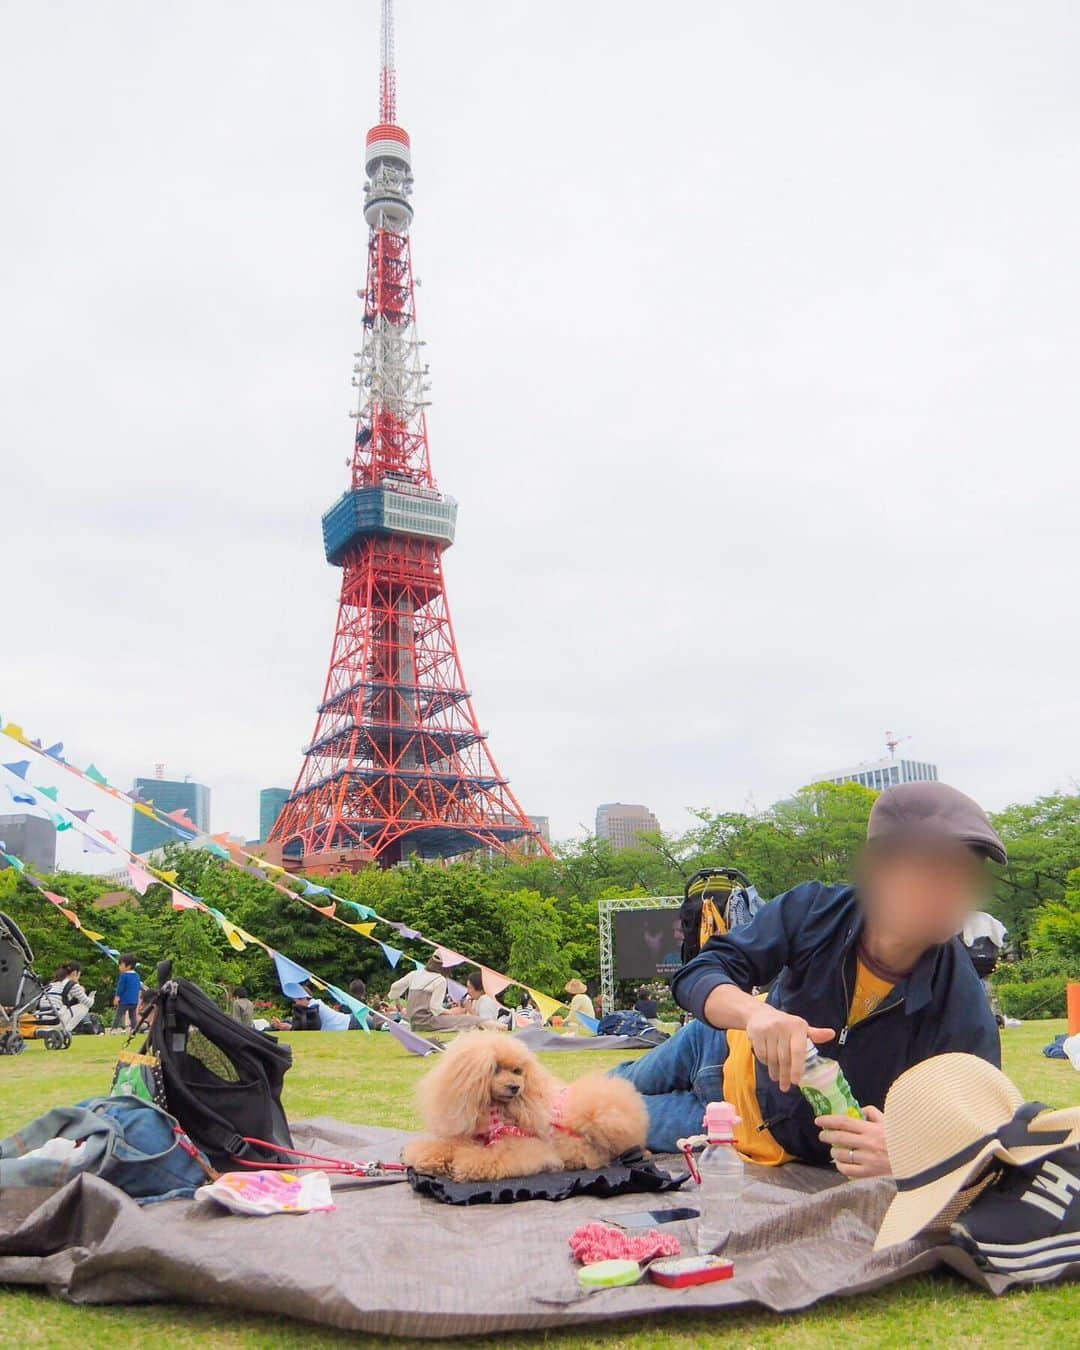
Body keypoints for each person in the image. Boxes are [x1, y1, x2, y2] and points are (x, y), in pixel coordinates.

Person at [612, 782, 1006, 1179]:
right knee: (595, 1089)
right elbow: (699, 973)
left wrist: (908, 1156)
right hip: (713, 1043)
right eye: (935, 869)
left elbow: (985, 1131)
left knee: (596, 1119)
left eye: (966, 875)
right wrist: (754, 1015)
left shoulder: (959, 998)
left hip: (735, 1125)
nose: (952, 892)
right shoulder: (816, 910)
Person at [387, 956, 487, 1031]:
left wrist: (396, 1000)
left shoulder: (414, 974)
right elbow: (435, 1008)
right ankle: (500, 1027)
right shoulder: (440, 980)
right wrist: (451, 1012)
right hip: (426, 1023)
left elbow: (394, 987)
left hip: (411, 1020)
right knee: (468, 1020)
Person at [270, 984, 355, 1031]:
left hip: (353, 1023)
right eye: (296, 1000)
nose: (298, 1003)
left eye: (300, 999)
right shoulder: (312, 1005)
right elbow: (300, 1022)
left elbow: (310, 1027)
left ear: (308, 997)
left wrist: (289, 1027)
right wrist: (281, 1024)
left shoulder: (314, 1006)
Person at [111, 954, 141, 1033]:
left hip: (124, 1000)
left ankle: (114, 1029)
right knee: (133, 1016)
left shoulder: (124, 975)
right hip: (134, 1000)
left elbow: (120, 988)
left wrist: (117, 997)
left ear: (128, 966)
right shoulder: (137, 976)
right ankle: (133, 1029)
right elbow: (138, 988)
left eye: (121, 965)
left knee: (119, 1015)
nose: (119, 967)